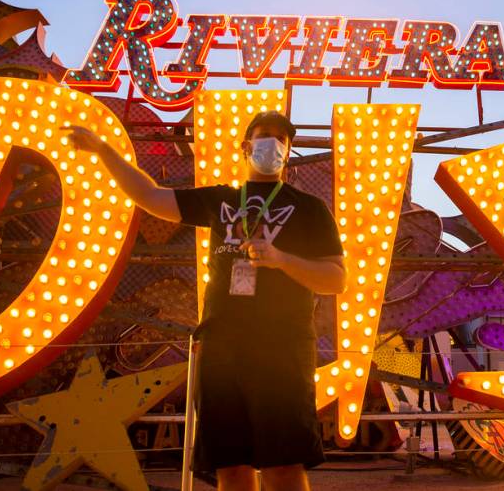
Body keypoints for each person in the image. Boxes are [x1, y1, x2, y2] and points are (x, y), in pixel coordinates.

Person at [64, 110, 346, 491]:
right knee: (229, 467)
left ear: (289, 150)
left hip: (284, 348)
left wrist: (282, 260)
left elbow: (335, 279)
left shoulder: (311, 209)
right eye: (264, 136)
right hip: (222, 346)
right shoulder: (220, 199)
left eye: (282, 139)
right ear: (246, 147)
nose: (273, 145)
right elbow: (149, 196)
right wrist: (103, 150)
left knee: (283, 466)